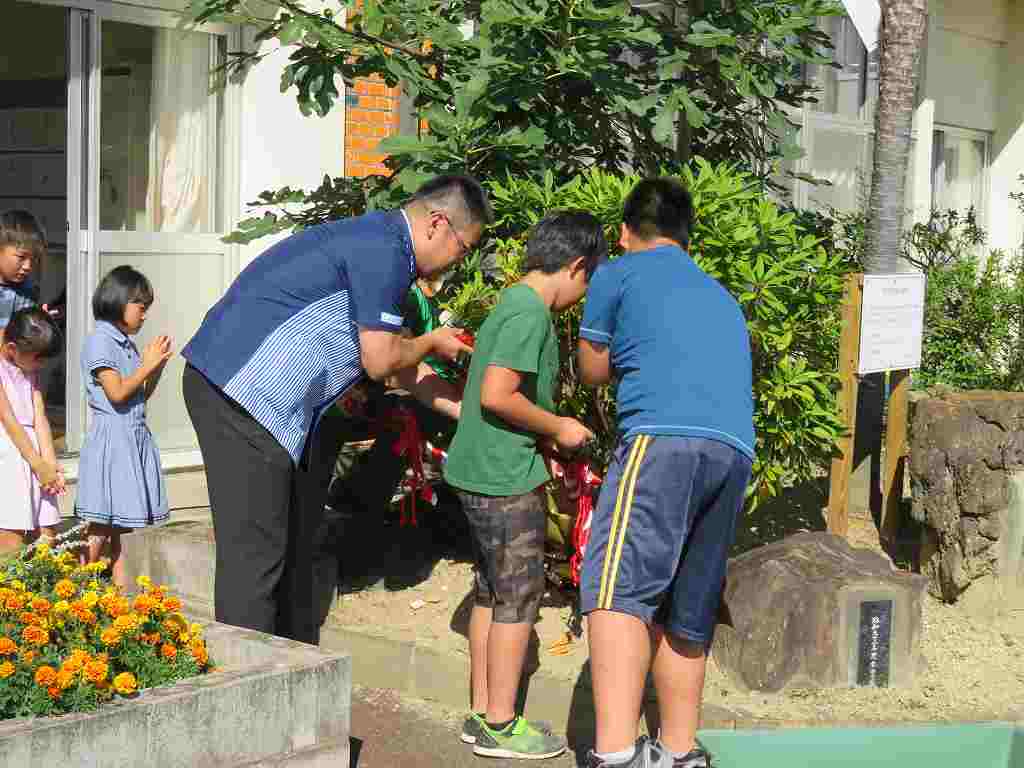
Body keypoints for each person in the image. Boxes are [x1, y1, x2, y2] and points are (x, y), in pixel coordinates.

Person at [181, 175, 490, 644]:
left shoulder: (384, 248)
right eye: (463, 248)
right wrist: (430, 341)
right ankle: (242, 686)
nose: (458, 262)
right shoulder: (385, 251)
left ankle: (281, 662)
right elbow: (383, 359)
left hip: (258, 400)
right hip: (239, 394)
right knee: (257, 555)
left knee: (288, 542)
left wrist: (468, 411)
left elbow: (402, 370)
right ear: (437, 224)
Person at [576, 178, 755, 768]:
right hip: (733, 453)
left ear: (626, 232)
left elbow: (593, 369)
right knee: (688, 606)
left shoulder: (616, 274)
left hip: (662, 440)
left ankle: (616, 755)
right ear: (686, 236)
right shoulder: (721, 295)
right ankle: (678, 753)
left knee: (615, 591)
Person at [443, 211, 607, 760]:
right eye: (587, 280)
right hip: (501, 477)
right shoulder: (529, 314)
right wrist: (559, 427)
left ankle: (482, 714)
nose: (583, 295)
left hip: (487, 468)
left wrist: (546, 449)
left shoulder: (512, 304)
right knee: (519, 594)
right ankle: (500, 723)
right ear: (577, 266)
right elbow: (497, 394)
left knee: (493, 589)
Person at [76, 266, 174, 587]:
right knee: (101, 525)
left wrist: (154, 368)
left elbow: (139, 395)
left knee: (122, 527)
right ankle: (74, 588)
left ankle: (120, 598)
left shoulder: (126, 344)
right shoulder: (101, 342)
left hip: (132, 436)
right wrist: (146, 365)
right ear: (119, 301)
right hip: (113, 441)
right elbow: (117, 393)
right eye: (140, 307)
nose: (144, 316)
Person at [0, 308, 65, 556]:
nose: (42, 364)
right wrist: (39, 465)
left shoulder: (29, 367)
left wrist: (50, 461)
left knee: (47, 530)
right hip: (9, 450)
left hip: (34, 451)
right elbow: (7, 418)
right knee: (11, 532)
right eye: (38, 358)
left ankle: (39, 589)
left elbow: (40, 415)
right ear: (13, 348)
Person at [0, 210, 46, 329]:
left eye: (33, 259)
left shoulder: (27, 292)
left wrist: (39, 325)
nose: (28, 266)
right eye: (21, 257)